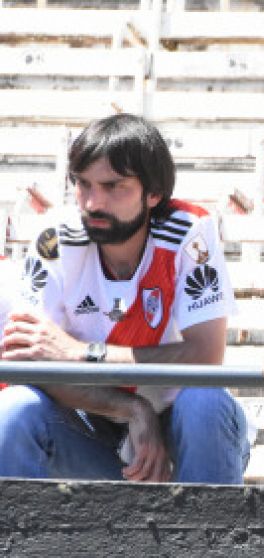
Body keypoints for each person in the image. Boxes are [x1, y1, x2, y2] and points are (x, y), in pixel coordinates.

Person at [0, 113, 251, 484]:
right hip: (89, 430)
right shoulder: (53, 238)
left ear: (153, 194)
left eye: (113, 186)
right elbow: (27, 362)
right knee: (15, 407)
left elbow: (205, 356)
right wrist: (132, 408)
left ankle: (212, 541)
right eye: (82, 184)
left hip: (184, 436)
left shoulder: (188, 231)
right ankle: (15, 543)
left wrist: (83, 353)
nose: (92, 203)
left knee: (205, 402)